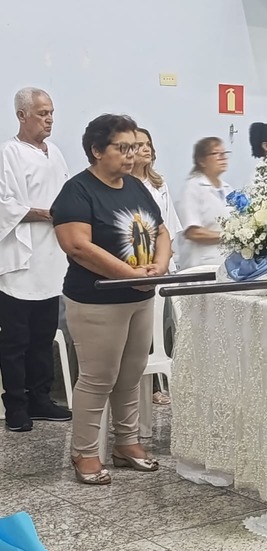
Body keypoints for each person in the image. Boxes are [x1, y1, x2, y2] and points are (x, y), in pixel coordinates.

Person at [51, 113, 170, 484]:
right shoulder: (77, 191)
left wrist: (159, 266)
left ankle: (126, 443)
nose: (131, 155)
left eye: (134, 148)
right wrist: (129, 275)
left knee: (131, 374)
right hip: (96, 300)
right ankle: (85, 452)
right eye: (122, 148)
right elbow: (77, 246)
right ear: (97, 150)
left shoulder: (135, 187)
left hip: (139, 297)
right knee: (98, 377)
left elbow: (161, 231)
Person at [0, 87, 72, 432]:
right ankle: (16, 404)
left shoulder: (54, 153)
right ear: (21, 115)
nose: (49, 120)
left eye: (51, 113)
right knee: (16, 340)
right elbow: (5, 205)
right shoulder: (8, 153)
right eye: (42, 113)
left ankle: (41, 398)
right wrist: (46, 213)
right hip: (20, 261)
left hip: (51, 259)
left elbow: (67, 194)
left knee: (44, 336)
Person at [131, 127, 181, 404]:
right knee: (138, 330)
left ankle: (155, 386)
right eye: (140, 145)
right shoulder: (123, 185)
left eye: (148, 144)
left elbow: (169, 228)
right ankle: (138, 387)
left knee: (157, 330)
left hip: (160, 264)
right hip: (134, 265)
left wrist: (163, 260)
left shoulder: (159, 185)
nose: (146, 149)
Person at [176, 137, 232, 270]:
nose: (222, 157)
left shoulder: (228, 189)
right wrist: (228, 236)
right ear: (201, 161)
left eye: (224, 153)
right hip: (201, 265)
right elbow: (193, 232)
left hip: (226, 263)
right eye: (216, 153)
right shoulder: (193, 187)